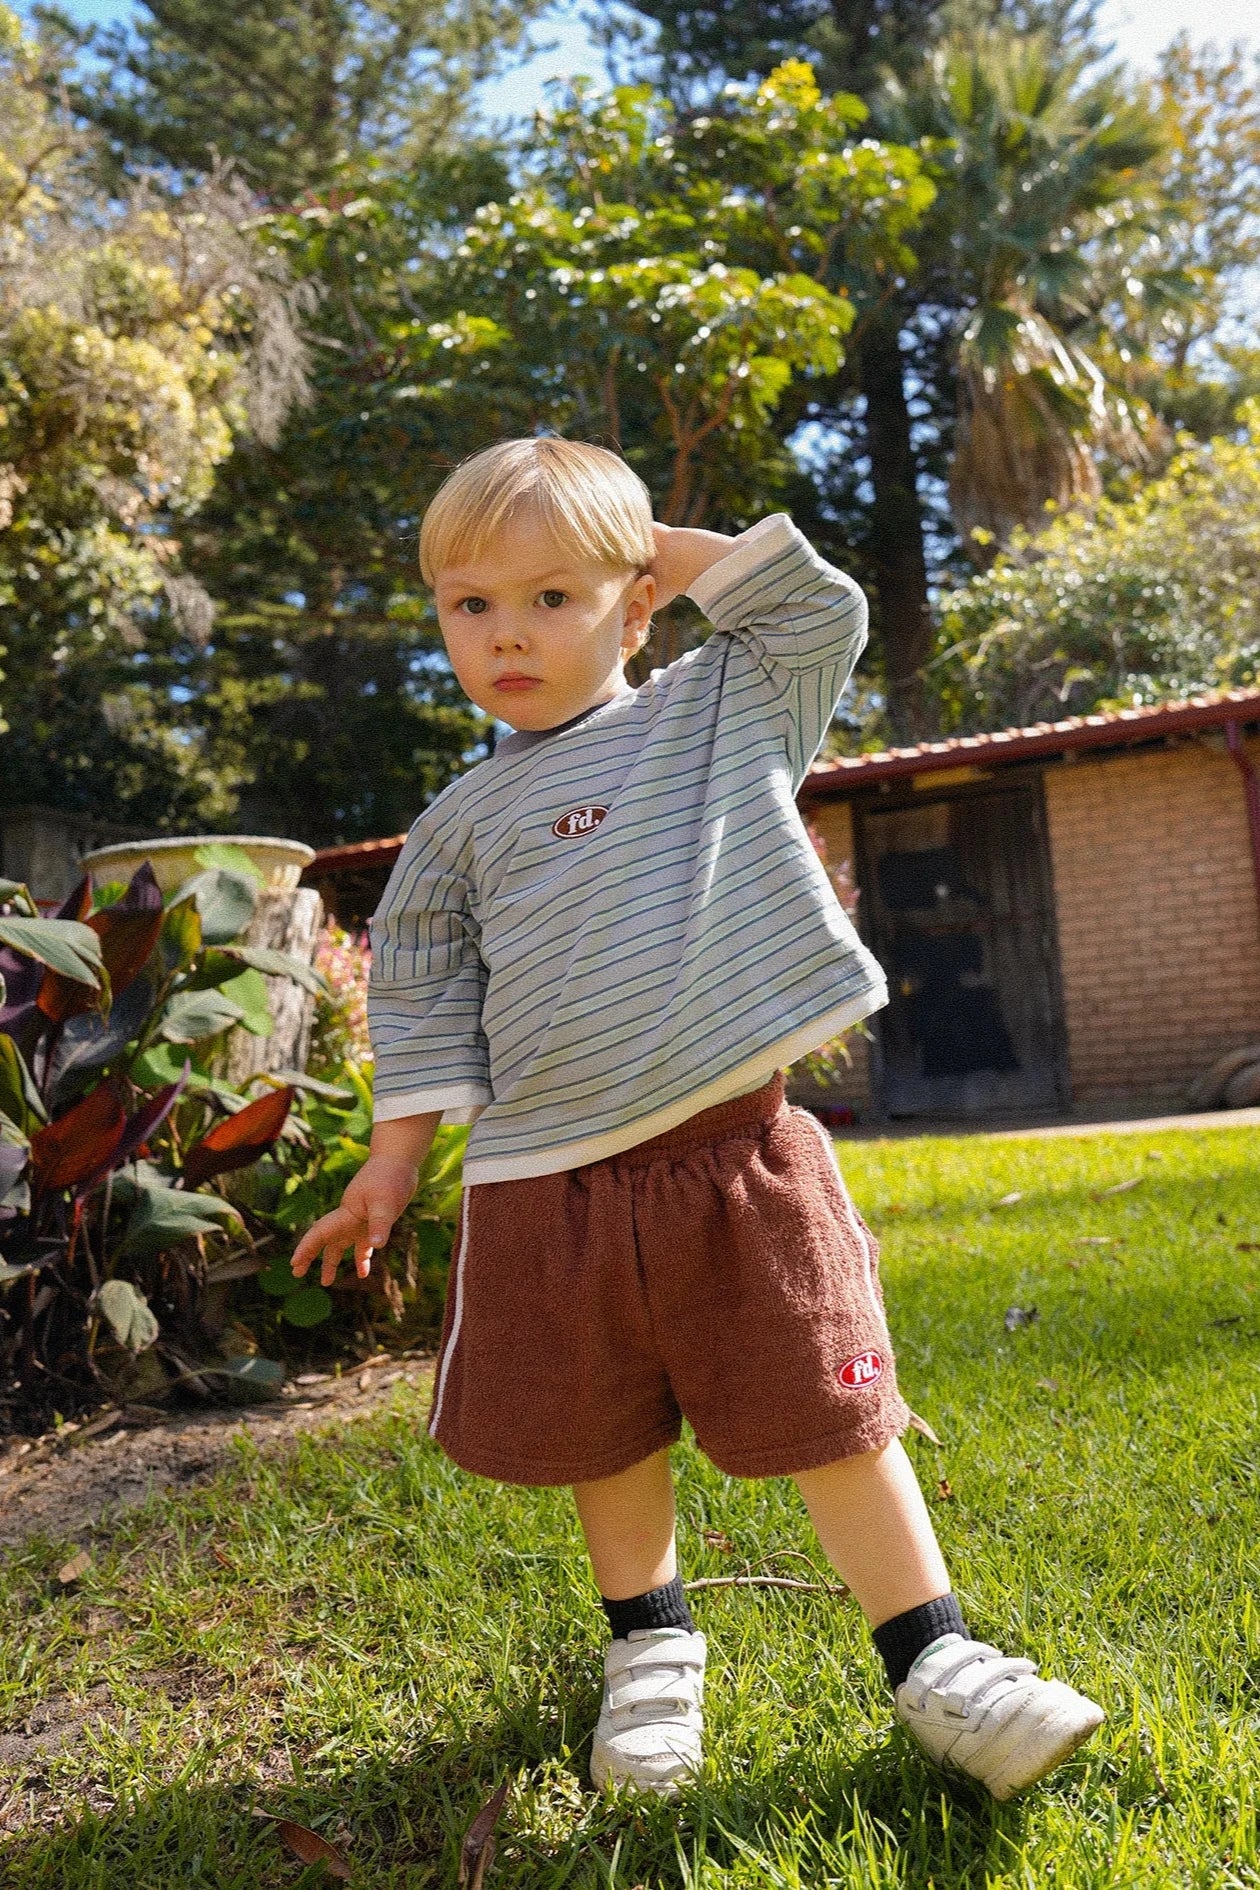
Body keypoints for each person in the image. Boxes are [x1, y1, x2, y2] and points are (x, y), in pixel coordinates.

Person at [292, 437, 1104, 1801]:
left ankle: (936, 1658)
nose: (507, 633)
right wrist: (391, 1165)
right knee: (604, 1434)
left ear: (638, 597)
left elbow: (816, 607)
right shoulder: (454, 826)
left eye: (554, 597)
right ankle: (650, 1651)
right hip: (545, 1184)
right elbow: (426, 1000)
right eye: (470, 603)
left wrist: (625, 538)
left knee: (831, 1409)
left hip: (738, 1156)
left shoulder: (719, 710)